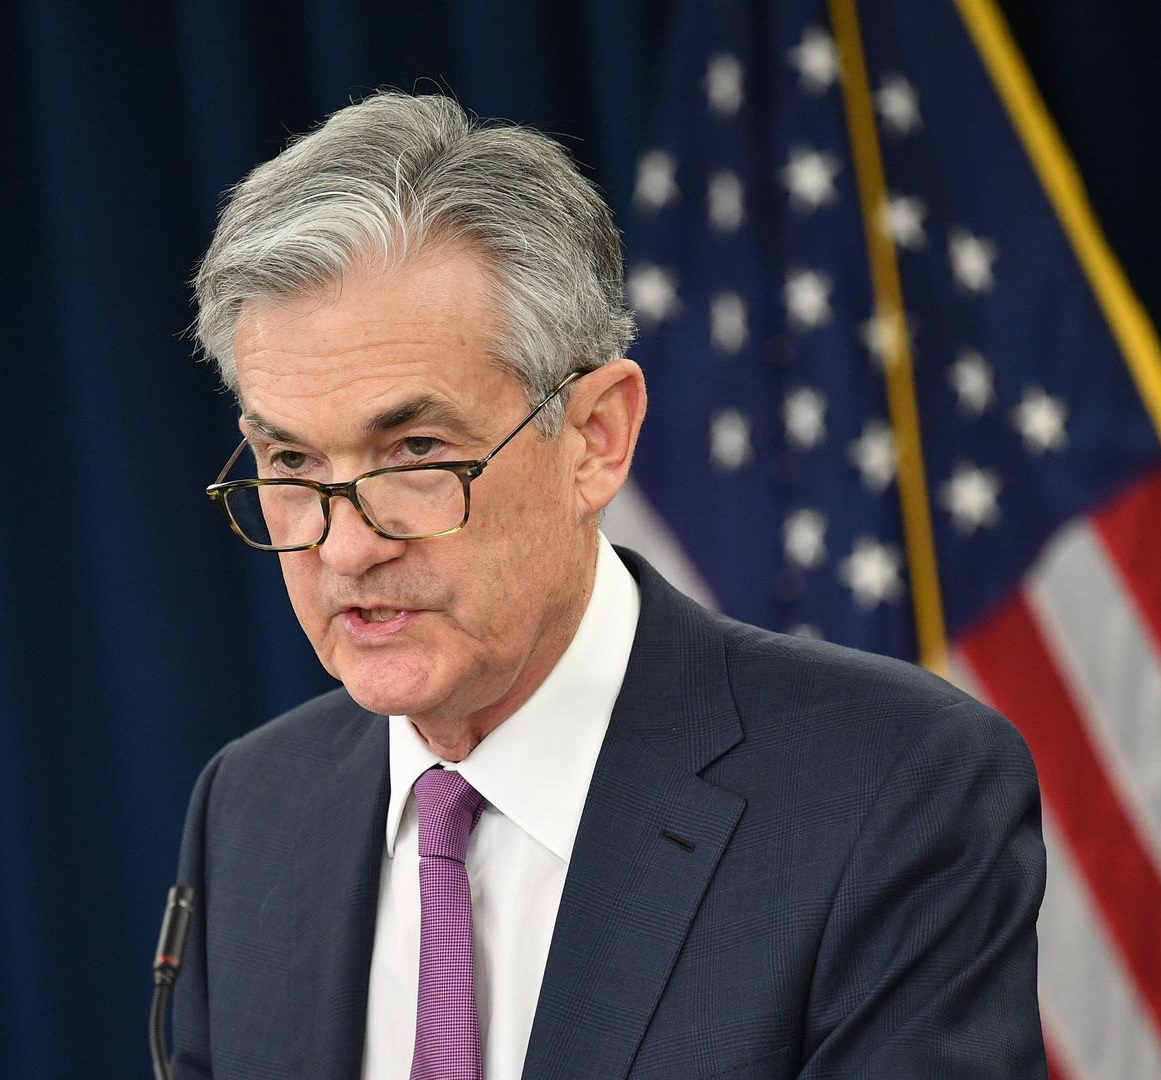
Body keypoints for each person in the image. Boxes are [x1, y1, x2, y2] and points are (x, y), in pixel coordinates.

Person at [173, 91, 1045, 1080]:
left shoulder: (887, 789)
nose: (341, 549)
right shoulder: (251, 807)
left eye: (415, 451)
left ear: (596, 438)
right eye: (289, 465)